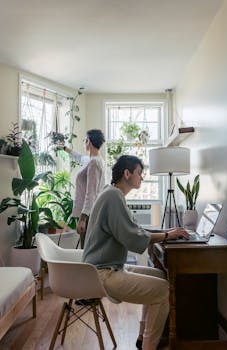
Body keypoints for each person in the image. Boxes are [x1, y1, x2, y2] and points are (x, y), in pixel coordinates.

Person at [82, 155, 189, 350]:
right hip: (103, 273)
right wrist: (167, 234)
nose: (142, 177)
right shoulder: (114, 196)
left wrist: (164, 234)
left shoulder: (111, 193)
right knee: (163, 291)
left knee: (159, 275)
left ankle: (141, 338)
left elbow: (134, 229)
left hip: (107, 267)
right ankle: (149, 345)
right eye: (140, 173)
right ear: (127, 173)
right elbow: (132, 236)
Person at [64, 129, 105, 248]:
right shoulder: (93, 160)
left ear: (88, 141)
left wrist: (83, 219)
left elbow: (90, 193)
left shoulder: (94, 163)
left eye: (84, 140)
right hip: (89, 213)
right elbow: (79, 157)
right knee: (87, 249)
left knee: (87, 250)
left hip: (89, 215)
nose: (83, 143)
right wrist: (64, 148)